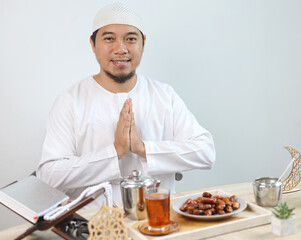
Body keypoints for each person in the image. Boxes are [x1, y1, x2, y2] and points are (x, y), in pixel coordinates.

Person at [36, 2, 216, 207]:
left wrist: (144, 149)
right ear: (93, 45)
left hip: (157, 221)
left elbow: (206, 152)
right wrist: (115, 152)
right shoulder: (70, 101)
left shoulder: (164, 96)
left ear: (143, 43)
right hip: (93, 228)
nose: (120, 49)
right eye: (109, 39)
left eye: (130, 39)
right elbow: (48, 176)